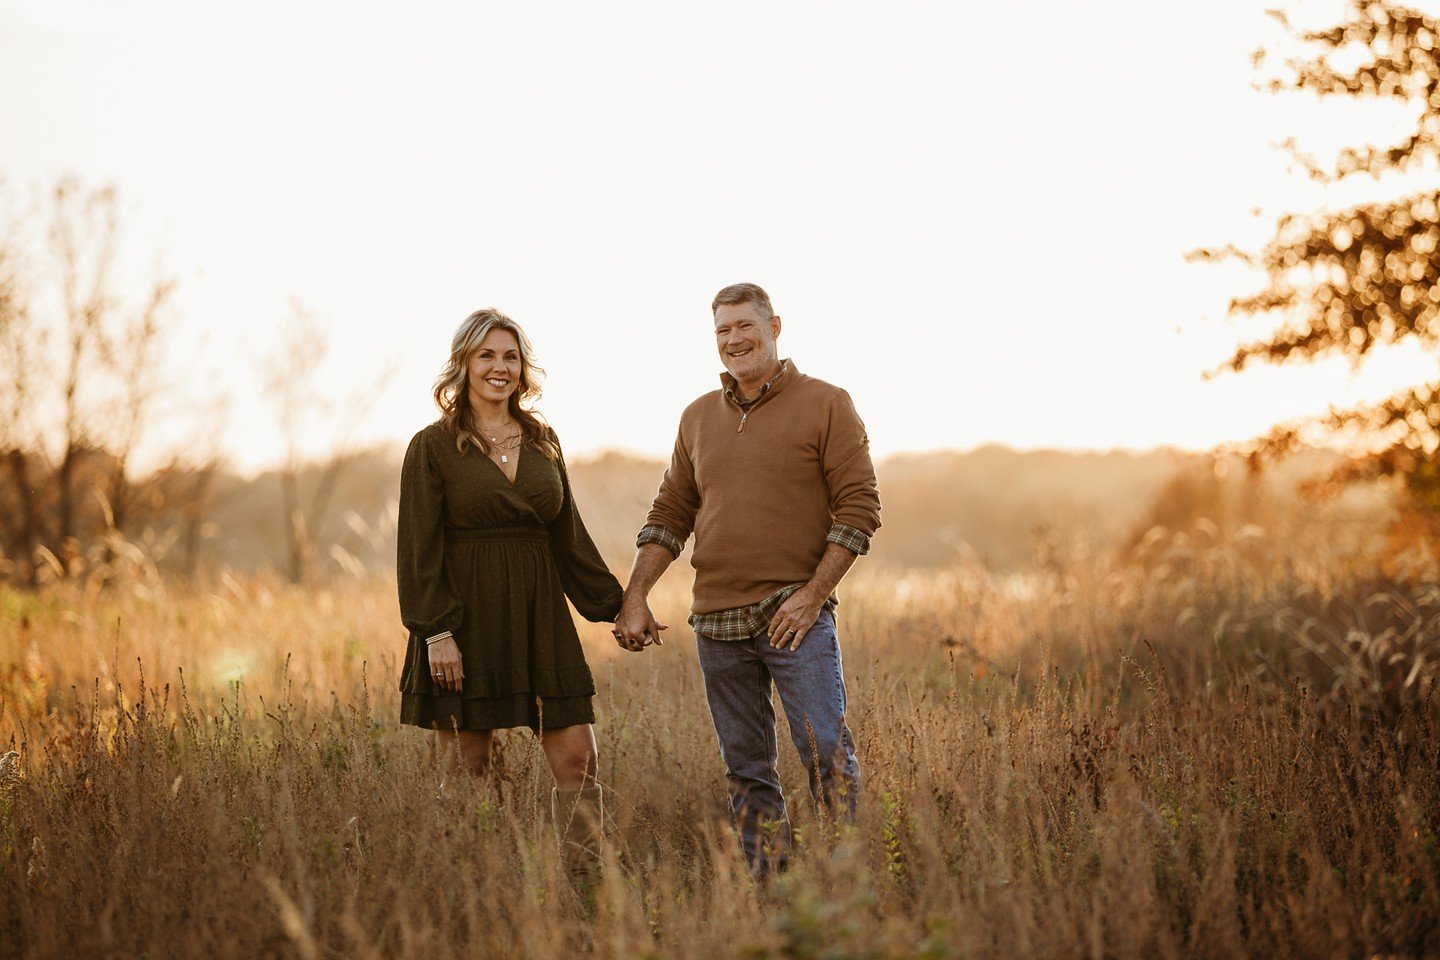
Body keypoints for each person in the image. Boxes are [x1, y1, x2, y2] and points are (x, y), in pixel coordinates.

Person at [614, 282, 881, 877]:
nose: (734, 340)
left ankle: (847, 894)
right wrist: (635, 596)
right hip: (716, 621)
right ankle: (775, 896)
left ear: (775, 325)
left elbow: (860, 508)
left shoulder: (827, 402)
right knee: (747, 769)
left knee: (828, 758)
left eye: (745, 326)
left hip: (795, 617)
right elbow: (670, 514)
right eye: (722, 331)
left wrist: (813, 597)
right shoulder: (697, 418)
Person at [397, 307, 622, 891]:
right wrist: (436, 633)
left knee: (579, 761)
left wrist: (620, 606)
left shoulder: (544, 442)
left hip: (539, 616)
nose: (500, 367)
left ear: (524, 370)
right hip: (465, 623)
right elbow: (418, 550)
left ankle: (586, 891)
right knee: (470, 771)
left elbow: (568, 537)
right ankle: (477, 896)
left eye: (511, 356)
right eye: (486, 356)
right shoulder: (432, 447)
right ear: (463, 365)